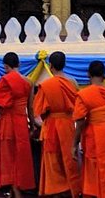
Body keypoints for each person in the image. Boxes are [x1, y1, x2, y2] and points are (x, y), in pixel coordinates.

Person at [33, 51, 81, 197]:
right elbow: (79, 107)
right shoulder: (73, 83)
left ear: (50, 65)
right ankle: (72, 192)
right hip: (68, 126)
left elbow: (38, 113)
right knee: (69, 161)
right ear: (64, 65)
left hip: (52, 126)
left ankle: (56, 192)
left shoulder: (46, 85)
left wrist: (42, 124)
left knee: (53, 163)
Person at [73, 60, 105, 198]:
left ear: (88, 74)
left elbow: (80, 120)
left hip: (93, 135)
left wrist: (74, 143)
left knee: (92, 168)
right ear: (104, 74)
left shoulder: (84, 94)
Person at [0, 52, 36, 197]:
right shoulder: (29, 82)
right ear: (19, 64)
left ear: (5, 66)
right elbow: (30, 107)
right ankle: (17, 188)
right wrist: (33, 125)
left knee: (8, 156)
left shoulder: (5, 80)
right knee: (21, 156)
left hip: (7, 121)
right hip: (22, 121)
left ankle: (14, 190)